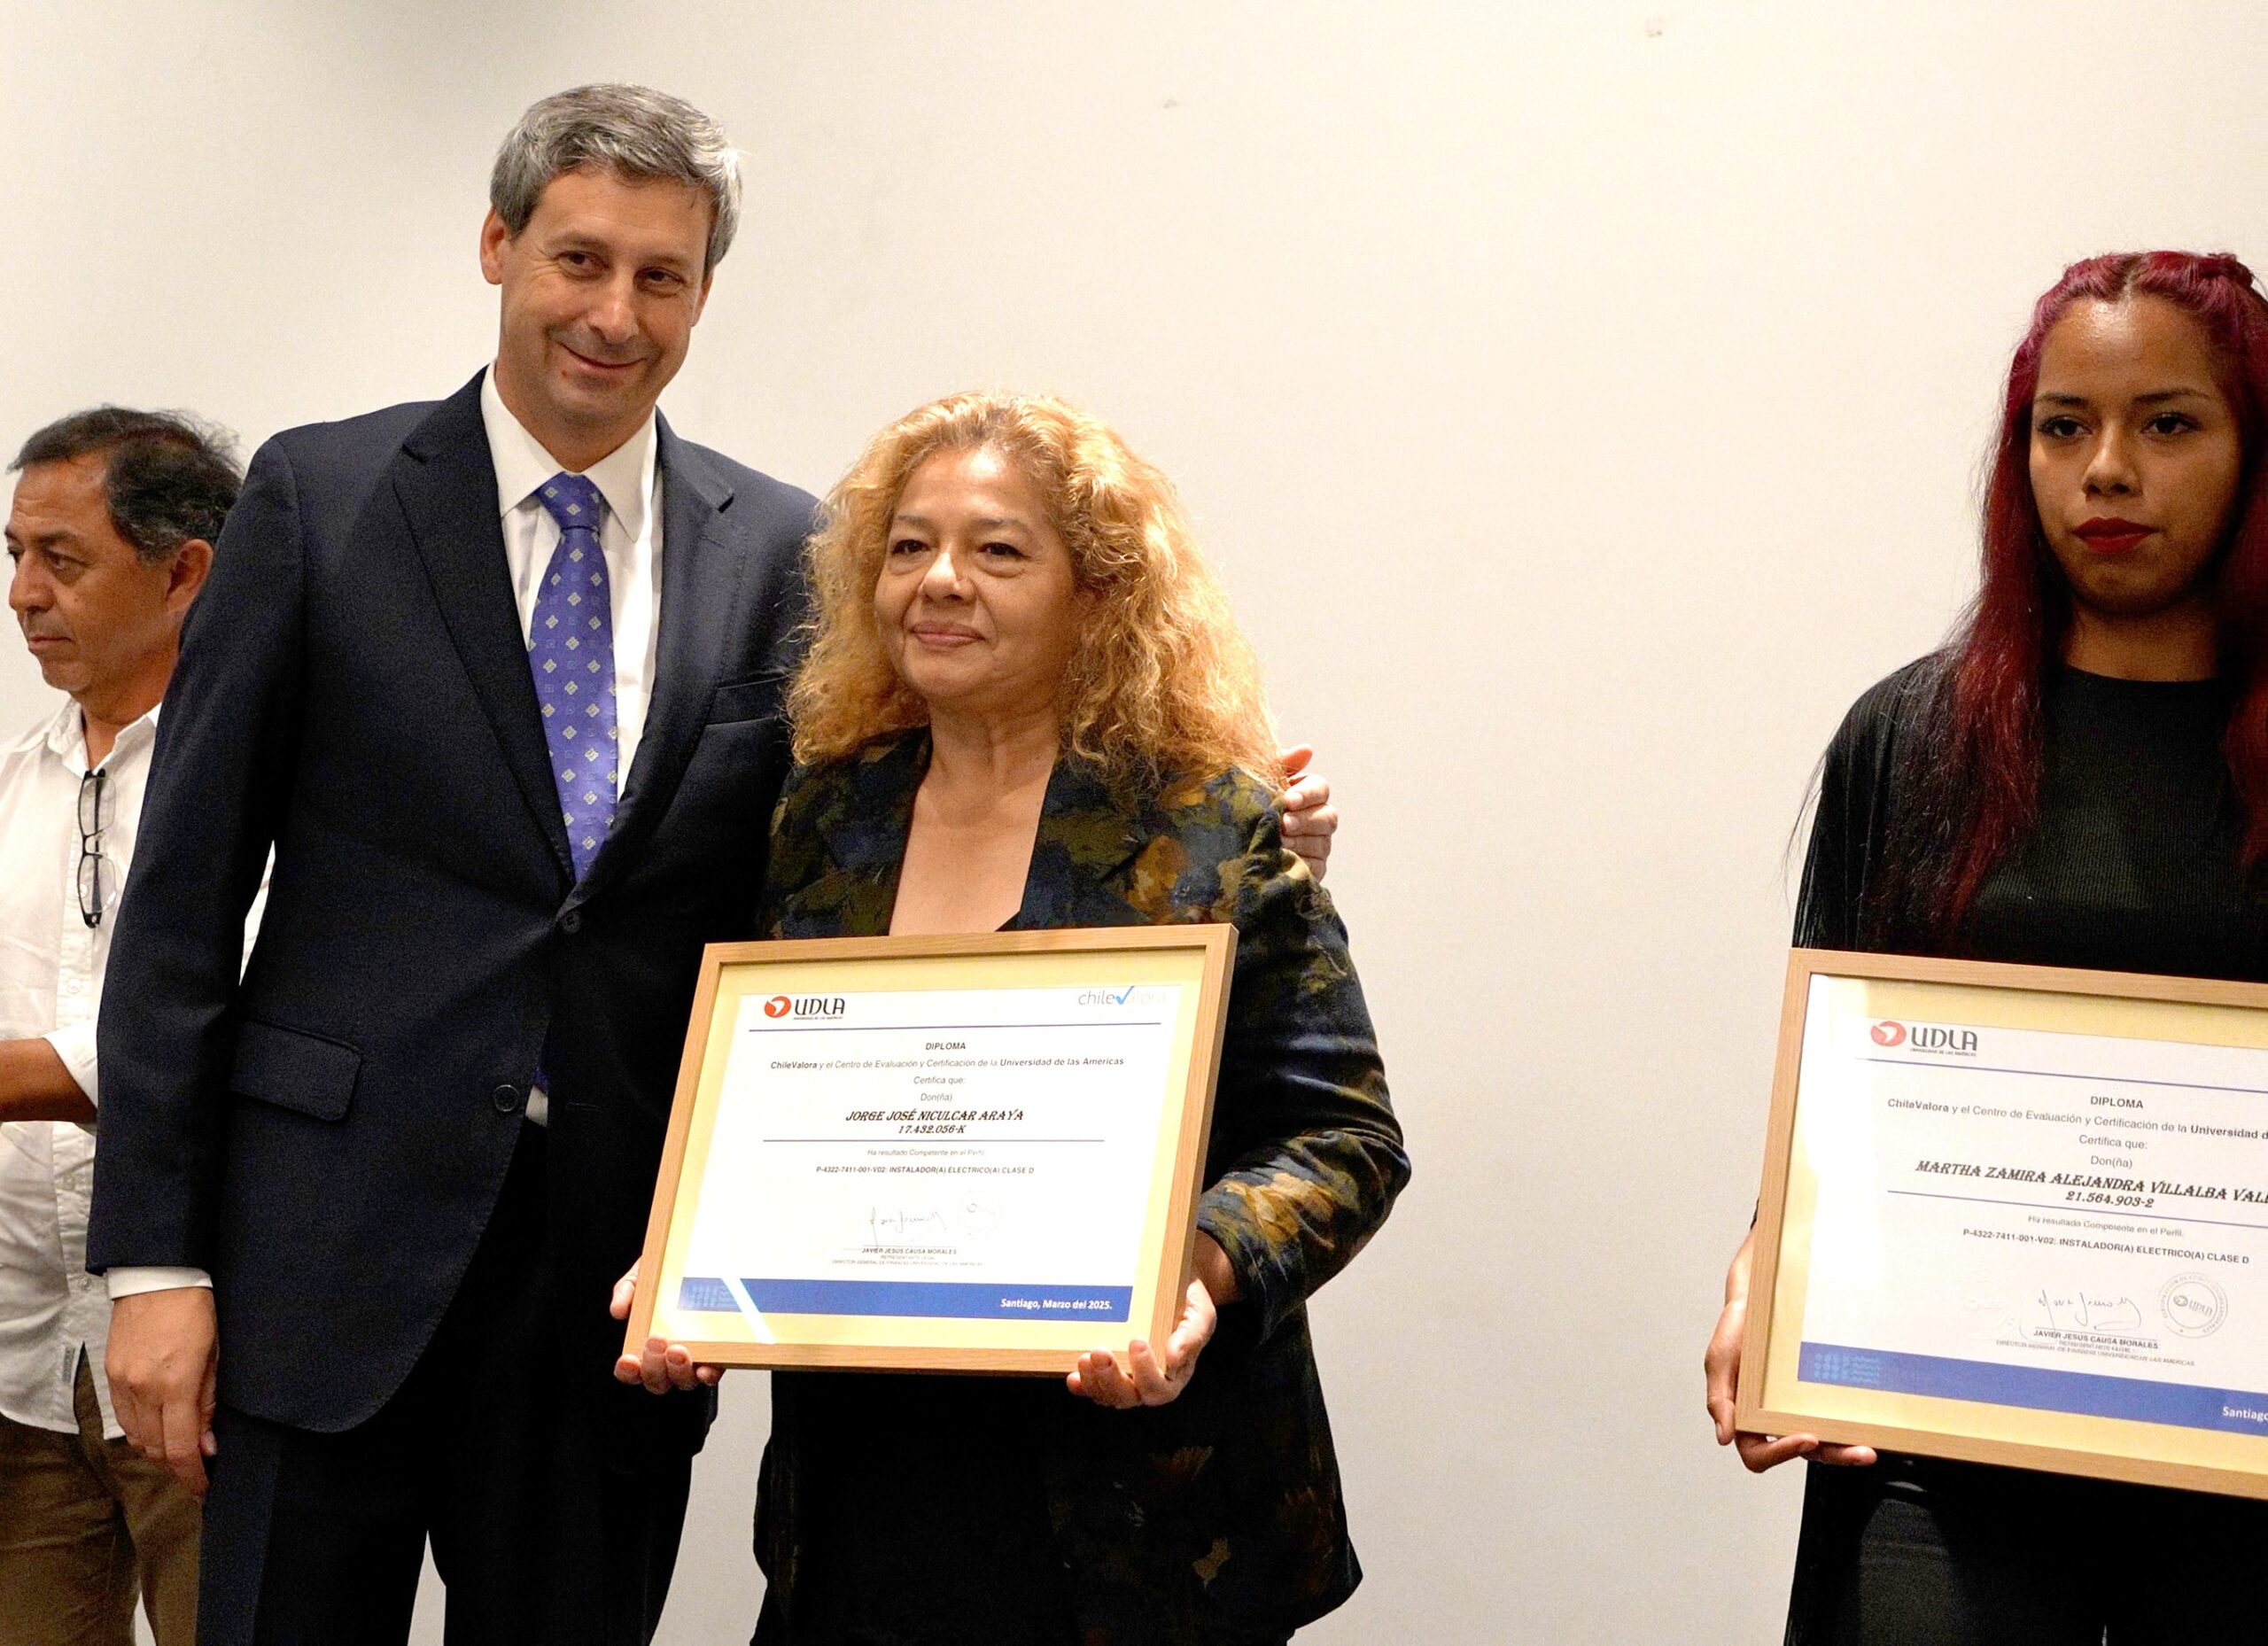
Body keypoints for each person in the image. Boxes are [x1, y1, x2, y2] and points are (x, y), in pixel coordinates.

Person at [87, 87, 1340, 1645]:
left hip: (617, 1293)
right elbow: (181, 906)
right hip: (318, 1270)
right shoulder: (318, 499)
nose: (615, 314)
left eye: (661, 276)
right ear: (497, 246)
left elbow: (918, 822)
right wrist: (155, 1260)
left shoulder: (789, 553)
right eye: (581, 260)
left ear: (701, 294)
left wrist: (1240, 821)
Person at [613, 390, 1408, 1645]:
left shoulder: (1207, 823)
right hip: (867, 1491)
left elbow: (1345, 1138)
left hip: (1141, 1513)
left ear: (1096, 595)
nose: (941, 581)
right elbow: (765, 1101)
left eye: (997, 550)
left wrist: (1195, 1271)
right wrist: (689, 1256)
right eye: (909, 546)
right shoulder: (823, 815)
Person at [1703, 251, 2268, 1642]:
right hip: (1948, 1435)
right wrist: (1768, 1265)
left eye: (2168, 422)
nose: (2107, 470)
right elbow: (1842, 1088)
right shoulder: (1916, 740)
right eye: (2064, 426)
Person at [0, 408, 239, 1646]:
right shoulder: (12, 784)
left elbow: (228, 1034)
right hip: (22, 1364)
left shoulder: (268, 787)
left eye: (62, 559)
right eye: (14, 555)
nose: (22, 594)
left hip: (208, 1366)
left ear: (183, 571)